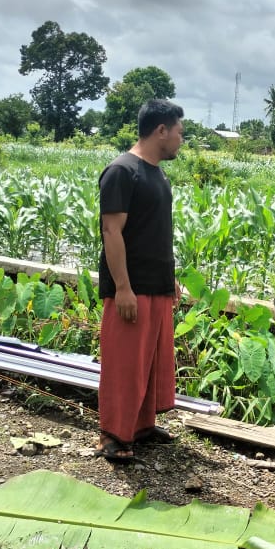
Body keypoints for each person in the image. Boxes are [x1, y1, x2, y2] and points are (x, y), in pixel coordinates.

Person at [96, 98, 185, 463]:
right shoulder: (122, 171)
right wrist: (122, 288)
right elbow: (111, 232)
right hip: (130, 288)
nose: (181, 140)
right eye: (179, 132)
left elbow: (156, 232)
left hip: (156, 284)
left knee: (150, 361)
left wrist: (170, 278)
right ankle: (114, 436)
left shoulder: (157, 173)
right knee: (125, 364)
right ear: (160, 130)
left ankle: (142, 425)